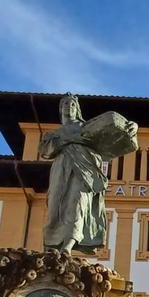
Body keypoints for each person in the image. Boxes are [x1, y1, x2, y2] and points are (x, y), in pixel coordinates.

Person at [40, 94, 107, 254]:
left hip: (84, 171)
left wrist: (133, 127)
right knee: (55, 206)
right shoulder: (53, 135)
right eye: (65, 105)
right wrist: (67, 139)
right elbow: (45, 151)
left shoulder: (88, 128)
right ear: (60, 109)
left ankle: (67, 246)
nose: (68, 108)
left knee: (77, 205)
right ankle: (51, 246)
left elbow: (116, 136)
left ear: (77, 109)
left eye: (72, 105)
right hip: (61, 169)